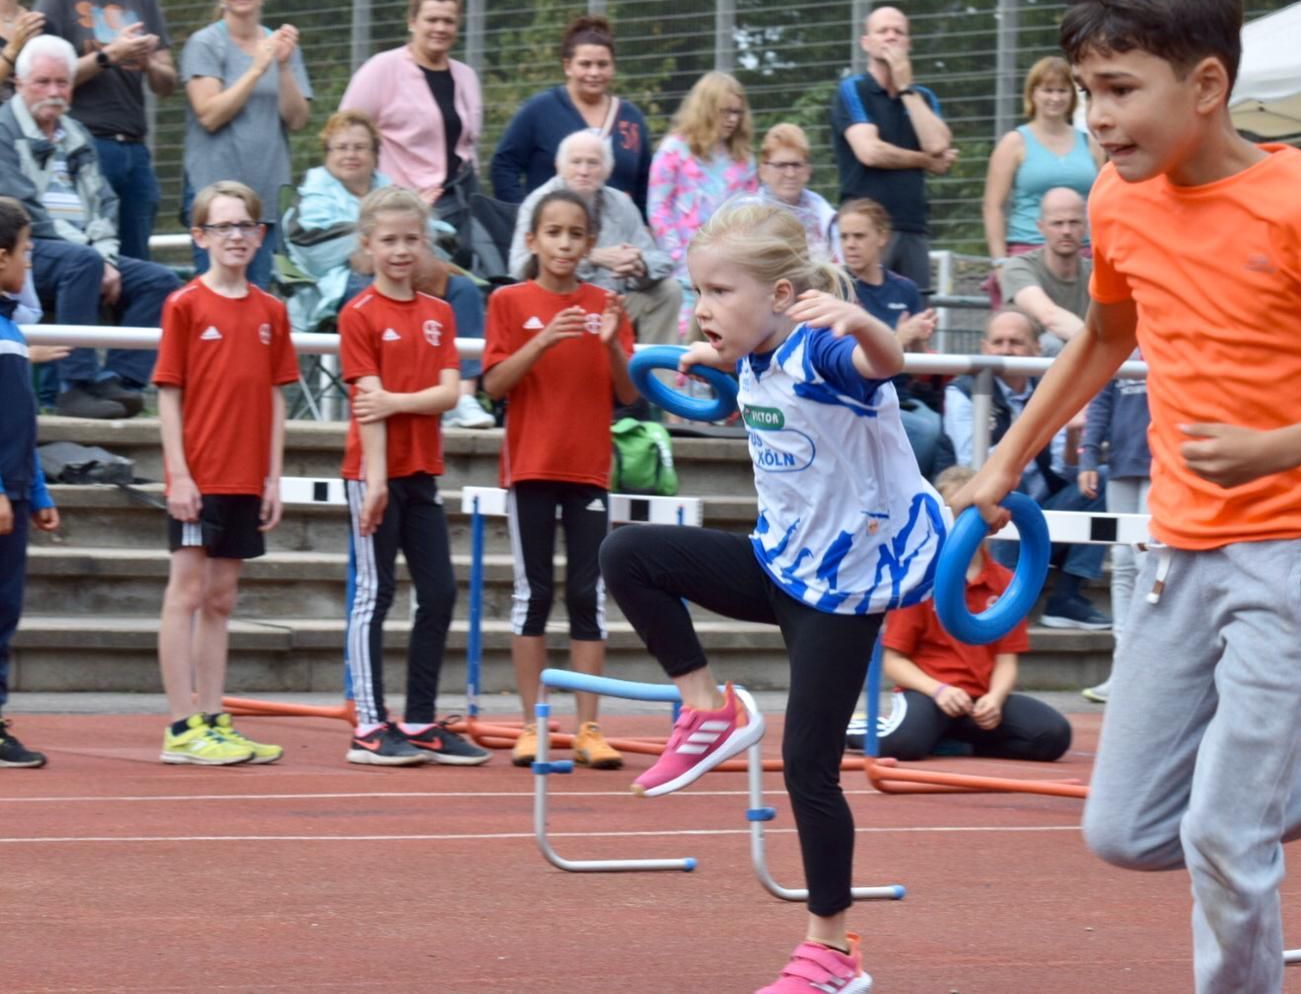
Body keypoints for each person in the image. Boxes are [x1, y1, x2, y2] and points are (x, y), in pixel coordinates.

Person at [954, 0, 1301, 990]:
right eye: (1085, 92)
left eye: (1118, 90)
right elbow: (1104, 337)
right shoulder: (1116, 198)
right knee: (1128, 826)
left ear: (1205, 85)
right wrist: (1004, 459)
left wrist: (1275, 448)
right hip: (1179, 546)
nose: (1095, 118)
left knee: (1226, 835)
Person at [599, 200, 944, 991]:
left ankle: (831, 953)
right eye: (698, 290)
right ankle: (707, 709)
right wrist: (715, 360)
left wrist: (865, 323)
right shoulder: (756, 356)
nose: (703, 307)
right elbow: (759, 388)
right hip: (780, 565)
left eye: (720, 292)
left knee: (807, 767)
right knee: (627, 554)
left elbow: (885, 363)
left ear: (781, 295)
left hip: (844, 588)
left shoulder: (824, 351)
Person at [485, 189, 637, 770]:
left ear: (591, 243)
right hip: (530, 467)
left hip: (588, 470)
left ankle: (588, 728)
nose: (565, 244)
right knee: (533, 595)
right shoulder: (508, 301)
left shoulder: (606, 303)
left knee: (586, 596)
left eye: (576, 234)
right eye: (554, 232)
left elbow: (629, 393)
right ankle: (531, 724)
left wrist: (611, 345)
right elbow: (494, 384)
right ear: (532, 239)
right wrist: (543, 338)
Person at [338, 187, 489, 768]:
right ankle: (369, 725)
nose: (401, 250)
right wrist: (376, 481)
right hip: (374, 473)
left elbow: (449, 393)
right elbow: (366, 406)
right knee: (374, 595)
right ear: (367, 244)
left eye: (410, 239)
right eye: (389, 240)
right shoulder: (358, 314)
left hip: (422, 470)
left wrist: (398, 401)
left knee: (440, 591)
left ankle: (421, 719)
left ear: (425, 241)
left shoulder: (439, 313)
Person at [150, 181, 296, 765]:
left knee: (222, 598)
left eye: (245, 226)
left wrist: (273, 477)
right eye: (223, 226)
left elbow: (277, 396)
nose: (235, 236)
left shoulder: (271, 311)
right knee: (185, 592)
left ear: (259, 236)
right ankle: (180, 726)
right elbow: (168, 394)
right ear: (200, 236)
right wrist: (180, 476)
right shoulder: (185, 304)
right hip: (199, 475)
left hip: (245, 476)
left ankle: (213, 717)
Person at [0, 34, 180, 420]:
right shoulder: (3, 129)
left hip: (85, 252)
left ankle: (119, 380)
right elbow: (24, 209)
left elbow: (104, 203)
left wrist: (106, 258)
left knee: (159, 281)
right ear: (19, 83)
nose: (54, 92)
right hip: (24, 250)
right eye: (43, 82)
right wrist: (95, 259)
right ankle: (74, 386)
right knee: (81, 263)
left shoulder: (77, 132)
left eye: (62, 82)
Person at [288, 110, 492, 429]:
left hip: (407, 275)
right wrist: (377, 240)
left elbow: (439, 234)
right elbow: (312, 249)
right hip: (336, 284)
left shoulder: (392, 190)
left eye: (360, 147)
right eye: (341, 147)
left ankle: (462, 398)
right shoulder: (312, 193)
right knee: (372, 293)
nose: (351, 154)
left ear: (375, 154)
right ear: (327, 153)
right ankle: (396, 390)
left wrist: (404, 238)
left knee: (463, 289)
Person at [874, 464, 1071, 763]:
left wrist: (995, 698)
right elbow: (894, 661)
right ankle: (855, 731)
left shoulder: (1007, 583)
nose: (963, 523)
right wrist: (939, 690)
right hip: (930, 694)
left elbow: (1006, 660)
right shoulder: (920, 580)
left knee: (1053, 735)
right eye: (956, 513)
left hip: (978, 700)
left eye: (972, 514)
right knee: (904, 743)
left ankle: (957, 742)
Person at [943, 310, 1110, 630]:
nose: (1006, 350)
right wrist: (1027, 438)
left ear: (1037, 348)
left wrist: (1073, 436)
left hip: (1040, 509)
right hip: (992, 509)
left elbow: (1064, 470)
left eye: (1016, 342)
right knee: (1003, 490)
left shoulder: (1050, 385)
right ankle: (1002, 595)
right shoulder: (962, 390)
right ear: (984, 347)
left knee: (1097, 479)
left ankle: (1067, 598)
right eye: (998, 342)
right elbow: (972, 465)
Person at [35, 0, 176, 261]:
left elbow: (168, 84)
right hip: (81, 145)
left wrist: (148, 63)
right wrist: (110, 54)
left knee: (137, 262)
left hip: (136, 151)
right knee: (87, 258)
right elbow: (43, 78)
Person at [180, 0, 311, 287]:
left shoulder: (280, 46)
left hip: (265, 200)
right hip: (215, 201)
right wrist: (256, 69)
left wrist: (282, 66)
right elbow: (209, 115)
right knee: (217, 295)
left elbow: (298, 120)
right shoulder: (205, 43)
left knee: (258, 297)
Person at [339, 0, 482, 244]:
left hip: (461, 202)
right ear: (412, 22)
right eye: (432, 20)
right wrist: (365, 195)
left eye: (448, 21)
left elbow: (468, 145)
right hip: (402, 207)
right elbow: (345, 134)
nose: (440, 28)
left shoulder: (467, 77)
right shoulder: (382, 68)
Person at [509, 130, 677, 348]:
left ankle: (654, 369)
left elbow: (659, 259)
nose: (584, 171)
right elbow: (519, 268)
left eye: (593, 163)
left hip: (612, 306)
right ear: (560, 167)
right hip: (557, 306)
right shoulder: (539, 203)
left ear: (607, 170)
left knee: (668, 291)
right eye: (576, 162)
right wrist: (590, 257)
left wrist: (639, 264)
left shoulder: (620, 203)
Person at [829, 5, 956, 289]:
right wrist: (926, 161)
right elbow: (870, 152)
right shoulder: (853, 89)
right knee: (860, 310)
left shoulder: (923, 97)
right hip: (863, 228)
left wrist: (906, 87)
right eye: (882, 31)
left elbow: (937, 143)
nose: (891, 37)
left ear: (908, 43)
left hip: (912, 225)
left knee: (917, 310)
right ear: (866, 42)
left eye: (898, 32)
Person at [491, 15, 652, 216]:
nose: (594, 72)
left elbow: (646, 182)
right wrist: (527, 215)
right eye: (585, 64)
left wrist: (643, 223)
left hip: (618, 230)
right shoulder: (539, 110)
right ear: (568, 66)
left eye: (603, 64)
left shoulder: (631, 118)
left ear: (613, 66)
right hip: (557, 230)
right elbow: (504, 166)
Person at [0, 195, 56, 769]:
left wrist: (36, 490)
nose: (29, 264)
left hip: (15, 495)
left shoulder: (12, 329)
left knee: (5, 608)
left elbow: (20, 423)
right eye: (26, 253)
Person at [836, 197, 941, 474]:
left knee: (941, 426)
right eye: (844, 237)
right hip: (857, 396)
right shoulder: (836, 286)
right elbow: (845, 359)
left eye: (859, 236)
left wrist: (919, 338)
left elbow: (917, 365)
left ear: (882, 237)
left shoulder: (905, 289)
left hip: (902, 395)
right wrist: (899, 337)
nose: (850, 244)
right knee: (926, 431)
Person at [647, 70, 758, 324]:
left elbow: (751, 216)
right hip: (683, 273)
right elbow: (658, 209)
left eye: (737, 112)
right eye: (725, 111)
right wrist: (680, 258)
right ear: (706, 109)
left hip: (731, 270)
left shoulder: (744, 159)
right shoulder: (673, 150)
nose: (732, 119)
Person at [1076, 348, 1152, 700]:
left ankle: (1146, 667)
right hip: (1123, 463)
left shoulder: (1170, 334)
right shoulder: (1121, 343)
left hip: (1161, 463)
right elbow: (1101, 401)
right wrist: (1089, 456)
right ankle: (1123, 668)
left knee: (1146, 561)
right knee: (1122, 563)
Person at [982, 55, 1103, 270]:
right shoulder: (1013, 143)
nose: (1055, 98)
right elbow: (993, 206)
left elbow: (1103, 203)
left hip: (1084, 254)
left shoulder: (1092, 143)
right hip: (1028, 251)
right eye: (1048, 90)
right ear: (1033, 93)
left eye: (1062, 90)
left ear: (1072, 95)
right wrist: (1000, 263)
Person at [997, 186, 1093, 354]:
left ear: (1085, 226)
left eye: (1074, 222)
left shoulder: (1096, 272)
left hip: (1085, 356)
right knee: (1050, 344)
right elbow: (1049, 316)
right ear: (1041, 227)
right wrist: (1097, 344)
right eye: (1057, 223)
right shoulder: (1018, 267)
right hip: (1031, 361)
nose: (1066, 231)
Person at [756, 123, 835, 262]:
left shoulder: (823, 213)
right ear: (763, 171)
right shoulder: (748, 213)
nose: (790, 174)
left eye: (796, 165)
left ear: (808, 170)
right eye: (781, 165)